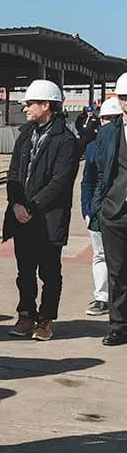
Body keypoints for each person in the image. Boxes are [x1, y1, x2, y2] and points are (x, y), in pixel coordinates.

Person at [3, 80, 79, 341]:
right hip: (21, 216)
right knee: (24, 272)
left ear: (46, 105)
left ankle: (45, 320)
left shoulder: (65, 140)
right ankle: (26, 314)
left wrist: (32, 207)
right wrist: (16, 203)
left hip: (48, 219)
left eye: (30, 103)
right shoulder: (25, 135)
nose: (25, 108)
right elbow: (13, 172)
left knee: (49, 272)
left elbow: (60, 182)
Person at [93, 73, 127, 347]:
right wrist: (99, 208)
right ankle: (118, 326)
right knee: (116, 272)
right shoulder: (107, 132)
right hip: (114, 212)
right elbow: (101, 172)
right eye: (124, 97)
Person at [81, 97, 121, 318]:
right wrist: (86, 209)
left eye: (113, 118)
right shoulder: (93, 148)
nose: (108, 123)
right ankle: (102, 298)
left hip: (120, 210)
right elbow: (87, 181)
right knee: (100, 255)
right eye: (105, 118)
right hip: (99, 210)